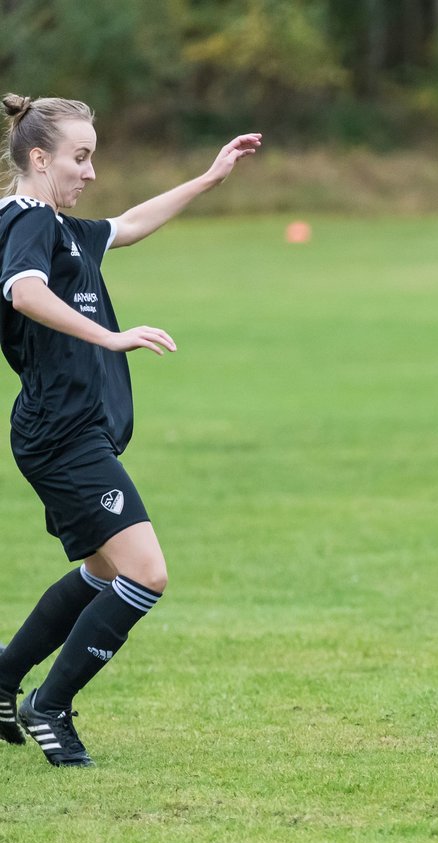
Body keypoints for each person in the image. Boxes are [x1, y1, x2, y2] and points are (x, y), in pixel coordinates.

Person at [0, 93, 260, 766]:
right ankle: (49, 706)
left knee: (99, 571)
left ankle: (3, 677)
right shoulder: (25, 219)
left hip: (72, 430)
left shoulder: (64, 228)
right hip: (62, 434)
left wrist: (208, 179)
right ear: (38, 158)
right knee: (146, 573)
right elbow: (24, 292)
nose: (90, 172)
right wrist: (110, 336)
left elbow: (130, 224)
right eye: (79, 157)